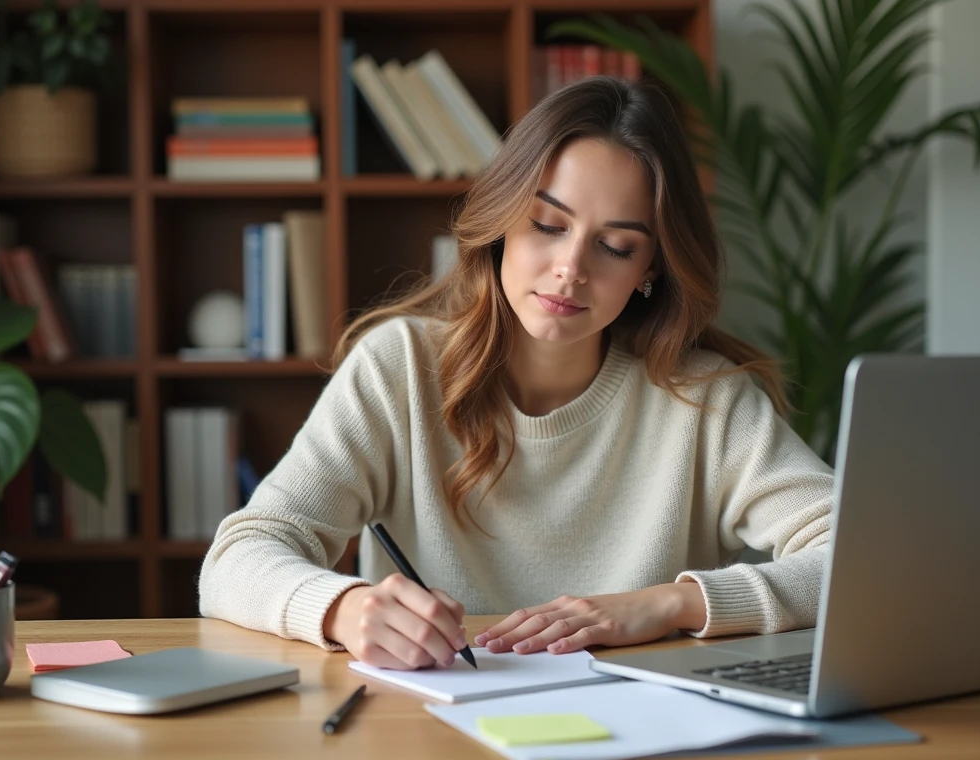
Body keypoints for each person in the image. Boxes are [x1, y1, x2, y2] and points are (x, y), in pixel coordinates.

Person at [199, 76, 833, 671]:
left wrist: (669, 603)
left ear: (651, 270)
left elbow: (864, 561)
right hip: (431, 738)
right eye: (548, 225)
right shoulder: (399, 368)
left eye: (615, 246)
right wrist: (344, 609)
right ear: (502, 221)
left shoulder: (707, 399)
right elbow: (236, 559)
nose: (570, 268)